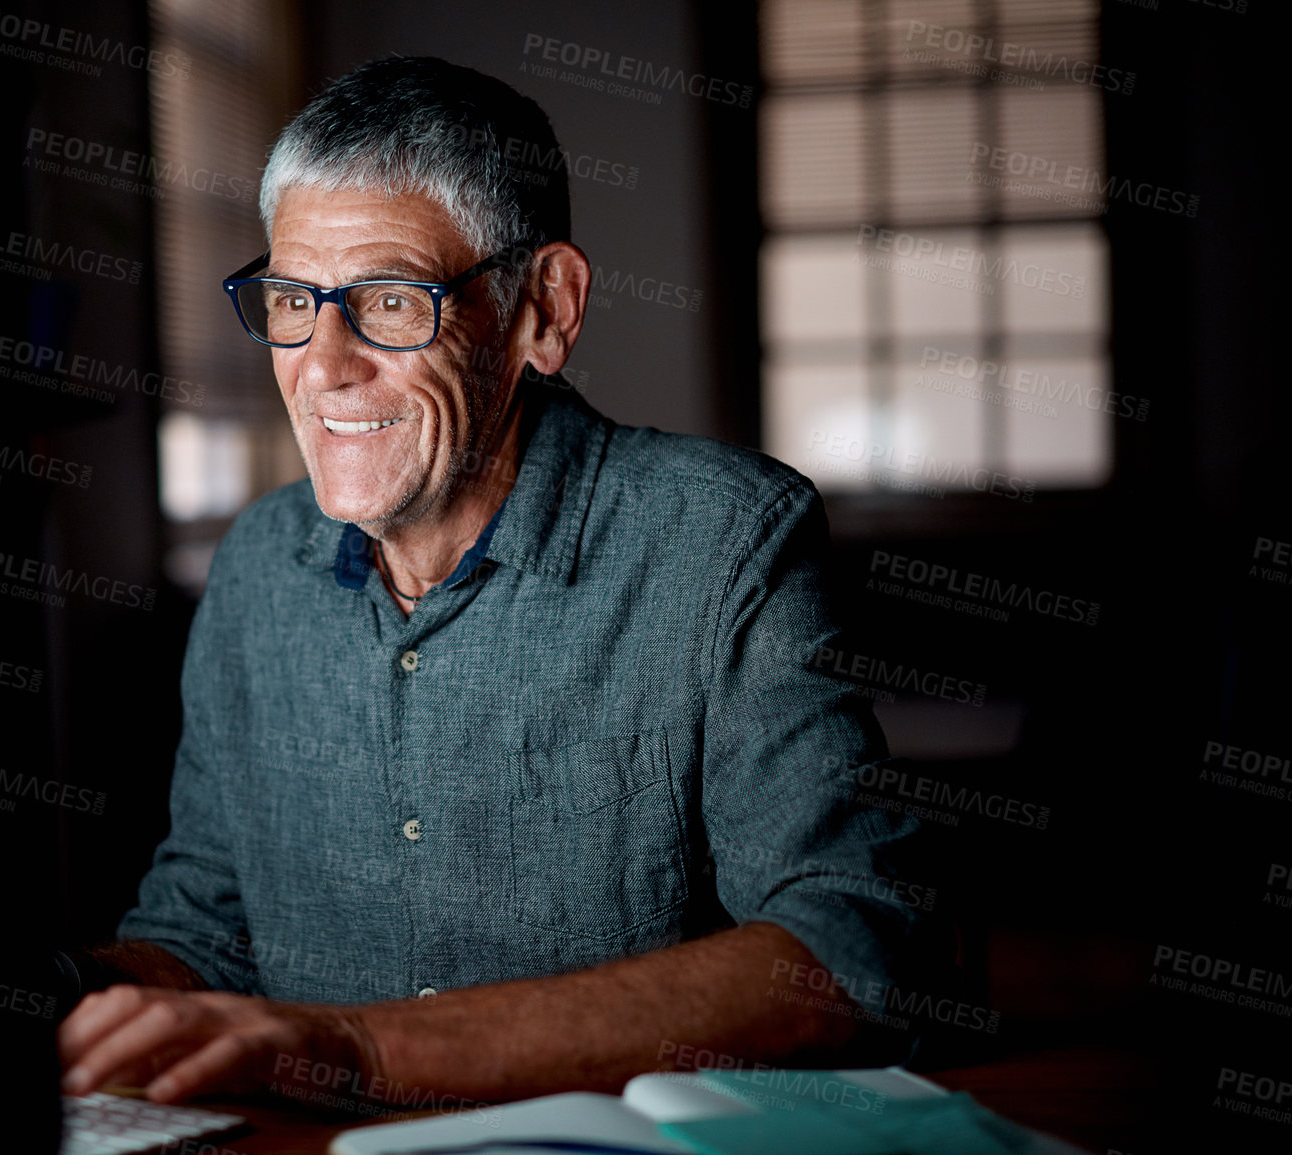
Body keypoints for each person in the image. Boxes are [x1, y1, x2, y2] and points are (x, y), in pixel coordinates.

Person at [56, 56, 942, 1108]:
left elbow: (854, 948)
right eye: (293, 298)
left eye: (388, 300)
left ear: (544, 311)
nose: (323, 364)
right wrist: (77, 994)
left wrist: (358, 1049)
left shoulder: (723, 542)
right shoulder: (256, 569)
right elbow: (202, 931)